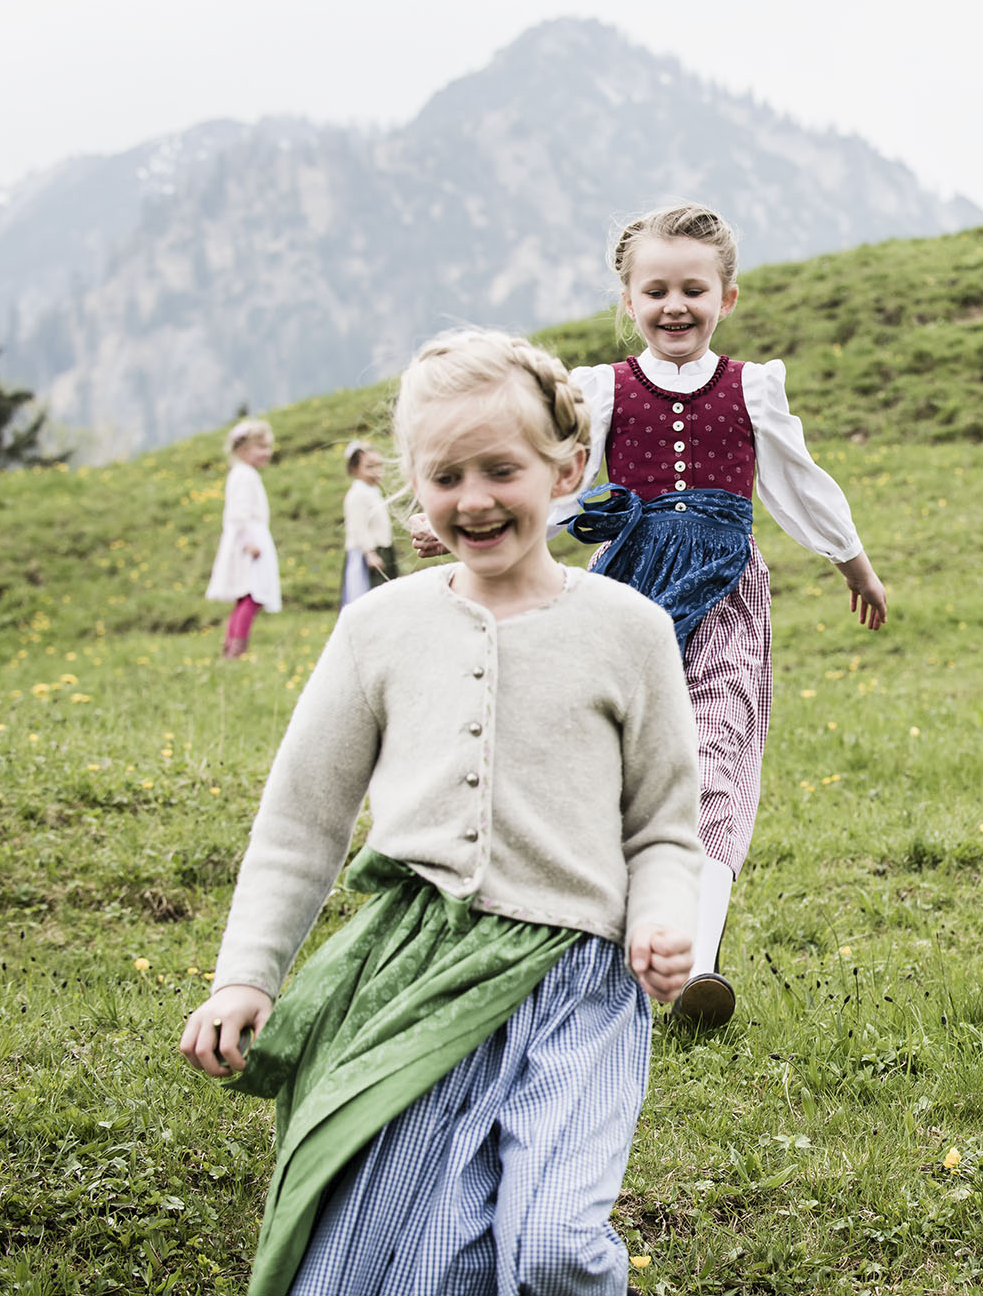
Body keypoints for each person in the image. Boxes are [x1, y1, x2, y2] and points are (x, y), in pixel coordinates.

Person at [180, 328, 702, 1296]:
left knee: (552, 1248)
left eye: (501, 469)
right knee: (409, 1264)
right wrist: (245, 977)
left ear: (565, 471)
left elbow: (665, 825)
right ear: (413, 489)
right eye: (445, 476)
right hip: (414, 977)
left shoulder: (631, 630)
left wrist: (663, 920)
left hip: (576, 985)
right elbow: (300, 824)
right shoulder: (377, 629)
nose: (474, 499)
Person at [416, 204, 889, 1029]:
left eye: (694, 290)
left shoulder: (752, 386)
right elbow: (556, 480)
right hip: (626, 592)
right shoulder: (602, 390)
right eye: (657, 290)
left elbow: (798, 481)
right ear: (629, 300)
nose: (676, 306)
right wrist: (469, 519)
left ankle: (697, 961)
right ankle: (596, 928)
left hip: (726, 591)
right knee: (619, 764)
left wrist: (854, 561)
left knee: (717, 755)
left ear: (726, 298)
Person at [204, 418, 281, 659]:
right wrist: (248, 541)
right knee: (252, 595)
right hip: (249, 540)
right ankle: (236, 648)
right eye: (261, 447)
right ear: (243, 450)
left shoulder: (244, 474)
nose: (267, 452)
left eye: (268, 447)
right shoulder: (244, 475)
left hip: (250, 536)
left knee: (246, 596)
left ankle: (231, 646)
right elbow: (239, 512)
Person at [340, 441, 397, 608]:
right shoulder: (357, 494)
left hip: (382, 549)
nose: (377, 471)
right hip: (367, 554)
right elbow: (357, 527)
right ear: (354, 469)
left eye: (379, 465)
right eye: (370, 467)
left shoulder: (373, 492)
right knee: (368, 596)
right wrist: (370, 553)